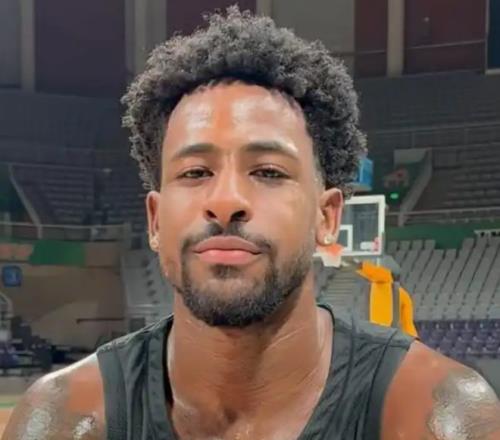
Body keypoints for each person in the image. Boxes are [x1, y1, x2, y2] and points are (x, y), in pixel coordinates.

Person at [3, 7, 500, 440]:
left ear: (327, 216)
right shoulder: (68, 418)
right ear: (155, 219)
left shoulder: (434, 415)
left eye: (267, 172)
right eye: (195, 172)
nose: (226, 201)